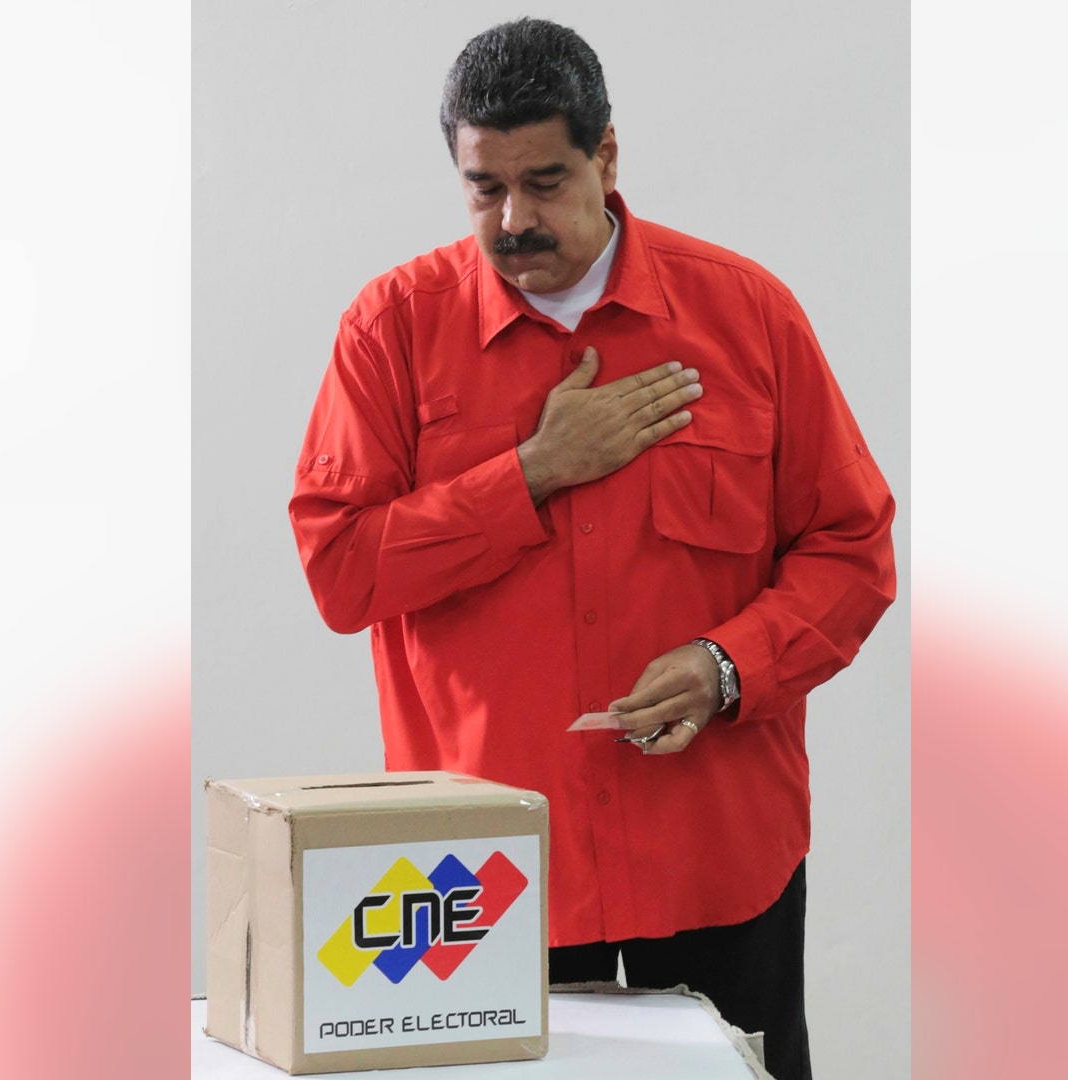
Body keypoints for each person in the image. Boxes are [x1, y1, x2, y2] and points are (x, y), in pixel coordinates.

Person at [287, 18, 896, 1079]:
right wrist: (528, 474)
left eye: (545, 180)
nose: (514, 219)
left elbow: (852, 548)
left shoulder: (748, 318)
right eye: (485, 189)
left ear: (607, 157)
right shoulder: (389, 332)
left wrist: (726, 668)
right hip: (481, 879)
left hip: (717, 863)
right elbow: (340, 572)